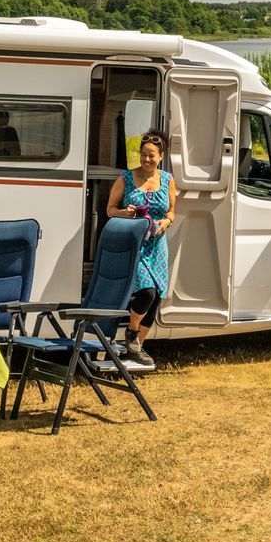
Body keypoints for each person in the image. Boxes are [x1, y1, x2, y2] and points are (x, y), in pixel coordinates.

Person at [105, 129, 176, 369]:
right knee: (146, 292)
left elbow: (171, 212)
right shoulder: (125, 179)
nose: (146, 160)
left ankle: (135, 350)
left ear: (161, 157)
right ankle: (132, 334)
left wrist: (165, 223)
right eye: (143, 154)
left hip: (157, 246)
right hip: (134, 246)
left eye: (151, 156)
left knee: (156, 298)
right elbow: (110, 210)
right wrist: (125, 213)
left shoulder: (167, 180)